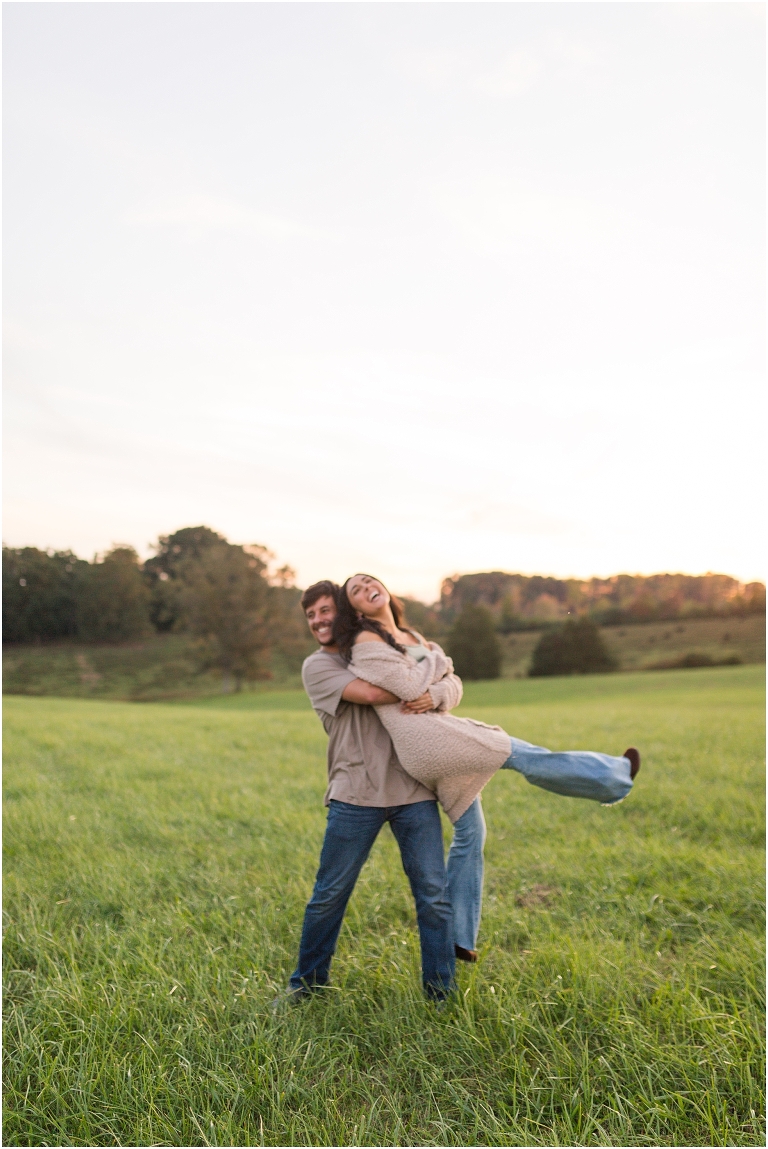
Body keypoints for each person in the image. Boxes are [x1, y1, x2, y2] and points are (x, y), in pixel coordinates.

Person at [279, 580, 479, 1007]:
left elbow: (449, 677)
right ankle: (306, 986)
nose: (317, 620)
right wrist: (423, 689)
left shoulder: (381, 650)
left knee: (433, 895)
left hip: (414, 789)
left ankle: (440, 993)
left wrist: (437, 690)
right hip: (355, 792)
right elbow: (370, 693)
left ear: (347, 613)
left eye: (324, 610)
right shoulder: (319, 667)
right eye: (310, 614)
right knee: (329, 894)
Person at [333, 574, 641, 827]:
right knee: (524, 754)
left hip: (439, 731)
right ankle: (615, 778)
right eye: (356, 591)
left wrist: (438, 691)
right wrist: (439, 660)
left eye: (368, 581)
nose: (366, 589)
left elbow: (450, 685)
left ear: (383, 586)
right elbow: (412, 687)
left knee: (471, 834)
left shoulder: (410, 637)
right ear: (357, 611)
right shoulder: (367, 641)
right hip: (423, 741)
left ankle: (459, 906)